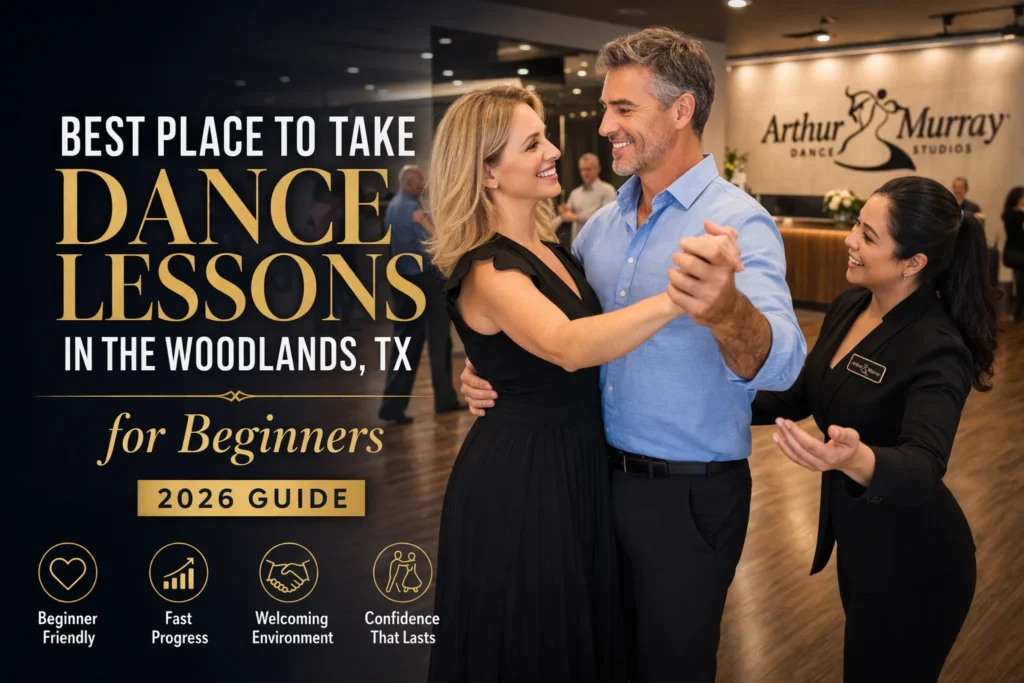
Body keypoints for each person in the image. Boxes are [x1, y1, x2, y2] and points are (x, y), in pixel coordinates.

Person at [459, 27, 806, 683]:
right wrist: (490, 365)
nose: (604, 125)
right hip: (587, 486)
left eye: (623, 109)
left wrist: (726, 306)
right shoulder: (598, 230)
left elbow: (783, 363)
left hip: (685, 498)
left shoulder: (738, 222)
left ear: (681, 111)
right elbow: (557, 334)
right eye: (605, 107)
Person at [423, 84, 713, 683]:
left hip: (575, 460)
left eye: (546, 136)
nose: (554, 150)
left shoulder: (553, 247)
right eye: (532, 144)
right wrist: (681, 296)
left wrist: (488, 366)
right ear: (488, 174)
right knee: (535, 640)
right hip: (525, 478)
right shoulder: (489, 266)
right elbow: (569, 346)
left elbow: (534, 347)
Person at [753, 176, 997, 682]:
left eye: (868, 235)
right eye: (856, 226)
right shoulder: (850, 306)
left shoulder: (936, 345)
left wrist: (854, 458)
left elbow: (923, 466)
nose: (850, 240)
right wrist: (711, 401)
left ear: (913, 263)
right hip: (864, 549)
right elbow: (802, 394)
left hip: (918, 563)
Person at [377, 164, 462, 425]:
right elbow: (437, 242)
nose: (424, 186)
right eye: (421, 182)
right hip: (424, 281)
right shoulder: (412, 210)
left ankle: (391, 407)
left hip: (403, 283)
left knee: (405, 345)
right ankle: (445, 401)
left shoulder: (392, 207)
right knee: (439, 341)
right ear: (412, 182)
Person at [559, 152, 617, 242]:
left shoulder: (608, 190)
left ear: (598, 169)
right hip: (577, 245)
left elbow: (607, 218)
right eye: (582, 170)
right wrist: (564, 211)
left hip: (598, 244)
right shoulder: (575, 193)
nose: (584, 173)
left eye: (588, 169)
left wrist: (576, 217)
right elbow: (567, 213)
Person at [1001, 186, 1024, 322]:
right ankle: (1018, 313)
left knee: (1021, 283)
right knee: (1021, 283)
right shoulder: (1010, 214)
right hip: (1014, 254)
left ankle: (1018, 313)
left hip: (1019, 254)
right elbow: (1015, 221)